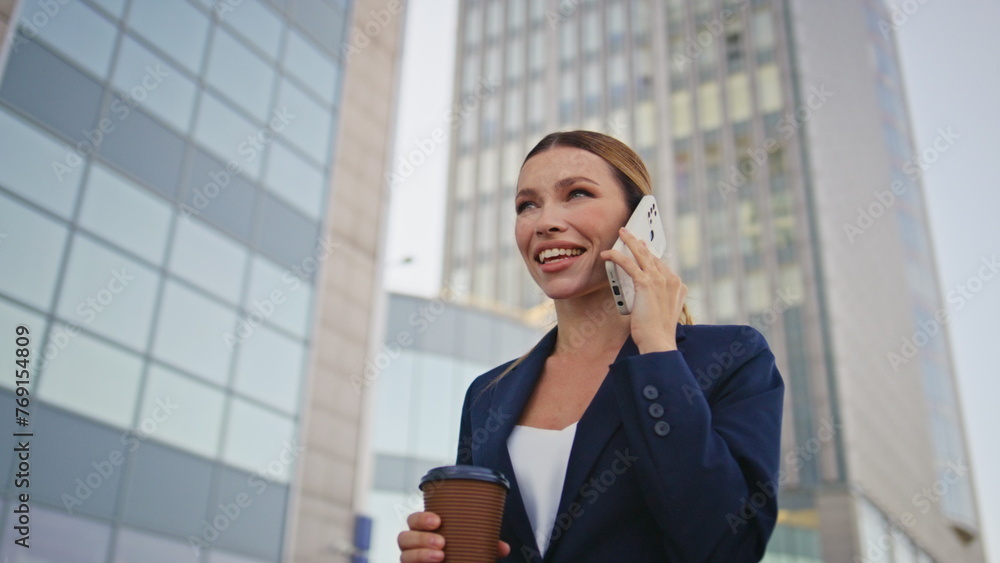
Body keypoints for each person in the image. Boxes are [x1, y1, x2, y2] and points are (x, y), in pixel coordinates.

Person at [398, 130, 784, 562]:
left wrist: (657, 348)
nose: (545, 222)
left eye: (577, 193)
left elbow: (727, 545)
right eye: (527, 205)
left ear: (642, 220)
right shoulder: (488, 395)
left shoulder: (730, 357)